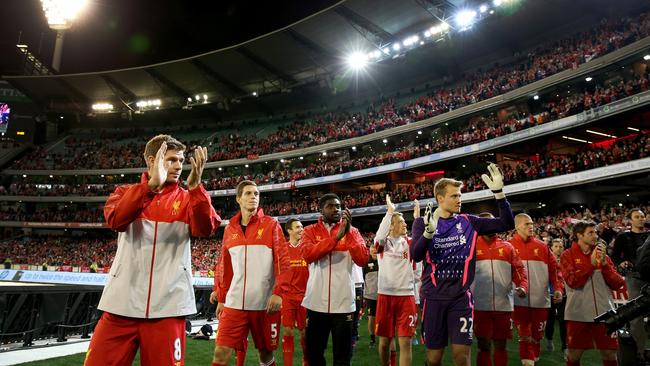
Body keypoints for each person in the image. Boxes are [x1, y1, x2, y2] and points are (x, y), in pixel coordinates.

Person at [85, 135, 220, 366]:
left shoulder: (189, 199)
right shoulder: (124, 192)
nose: (178, 166)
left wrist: (197, 189)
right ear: (151, 160)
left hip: (168, 309)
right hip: (121, 306)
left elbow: (206, 228)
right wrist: (149, 188)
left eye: (180, 160)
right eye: (171, 160)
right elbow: (116, 220)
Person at [411, 163, 515, 366]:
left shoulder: (470, 222)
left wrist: (499, 194)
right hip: (433, 298)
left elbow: (507, 223)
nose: (459, 200)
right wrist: (427, 234)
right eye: (454, 196)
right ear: (440, 198)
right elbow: (416, 255)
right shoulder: (422, 223)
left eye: (460, 195)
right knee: (433, 359)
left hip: (461, 298)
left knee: (462, 357)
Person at [212, 180, 291, 366]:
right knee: (220, 354)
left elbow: (283, 262)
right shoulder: (230, 229)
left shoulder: (272, 225)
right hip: (234, 304)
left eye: (256, 194)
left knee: (265, 355)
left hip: (263, 305)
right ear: (238, 198)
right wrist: (222, 298)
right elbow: (225, 267)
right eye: (248, 193)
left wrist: (278, 293)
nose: (253, 197)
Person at [300, 193, 369, 366]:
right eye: (330, 206)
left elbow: (362, 259)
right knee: (314, 356)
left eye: (338, 206)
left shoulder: (353, 232)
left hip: (344, 304)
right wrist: (336, 237)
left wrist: (349, 235)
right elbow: (308, 255)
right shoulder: (309, 231)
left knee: (343, 357)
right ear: (320, 209)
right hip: (316, 304)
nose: (335, 209)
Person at [560, 221, 625, 366]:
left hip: (605, 313)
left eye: (595, 232)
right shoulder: (567, 255)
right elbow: (573, 281)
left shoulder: (603, 256)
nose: (595, 235)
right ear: (579, 235)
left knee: (610, 353)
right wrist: (591, 264)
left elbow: (618, 283)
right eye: (590, 232)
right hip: (578, 314)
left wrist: (604, 265)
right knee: (574, 355)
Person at [471, 212, 528, 366]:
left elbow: (519, 271)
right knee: (483, 346)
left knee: (501, 345)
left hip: (503, 305)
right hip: (480, 306)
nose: (493, 226)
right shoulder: (471, 247)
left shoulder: (507, 247)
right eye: (488, 223)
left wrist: (523, 287)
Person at [510, 213, 563, 366]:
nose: (531, 226)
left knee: (536, 338)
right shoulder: (509, 246)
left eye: (532, 223)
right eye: (526, 224)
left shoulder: (542, 247)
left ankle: (533, 358)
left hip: (541, 302)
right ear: (517, 227)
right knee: (524, 337)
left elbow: (555, 271)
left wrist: (558, 289)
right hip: (518, 302)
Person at [373, 195, 419, 366]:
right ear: (391, 226)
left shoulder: (410, 243)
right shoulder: (383, 245)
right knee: (385, 343)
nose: (404, 224)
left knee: (405, 343)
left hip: (406, 297)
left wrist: (417, 219)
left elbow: (423, 240)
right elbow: (378, 237)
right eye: (401, 222)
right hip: (385, 296)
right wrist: (389, 212)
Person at [611, 208, 649, 363]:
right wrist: (621, 263)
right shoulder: (623, 236)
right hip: (634, 278)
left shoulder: (649, 236)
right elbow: (614, 256)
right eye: (637, 217)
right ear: (630, 220)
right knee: (636, 317)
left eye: (642, 216)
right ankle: (639, 352)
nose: (640, 219)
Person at [281, 218, 309, 366]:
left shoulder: (307, 248)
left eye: (302, 226)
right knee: (288, 331)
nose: (301, 229)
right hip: (288, 297)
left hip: (305, 296)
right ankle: (288, 364)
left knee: (305, 332)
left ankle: (306, 360)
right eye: (297, 227)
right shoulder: (283, 250)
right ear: (289, 230)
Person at [545, 238, 567, 355]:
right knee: (550, 321)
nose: (559, 249)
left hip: (564, 295)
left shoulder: (566, 260)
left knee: (564, 321)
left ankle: (565, 347)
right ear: (551, 248)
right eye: (556, 246)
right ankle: (549, 339)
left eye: (561, 246)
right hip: (550, 295)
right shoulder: (546, 261)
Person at [363, 243, 380, 348]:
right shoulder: (365, 262)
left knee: (385, 318)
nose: (374, 250)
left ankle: (387, 337)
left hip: (383, 295)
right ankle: (372, 339)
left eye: (376, 248)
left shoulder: (383, 261)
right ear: (369, 250)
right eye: (372, 248)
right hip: (370, 296)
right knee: (371, 318)